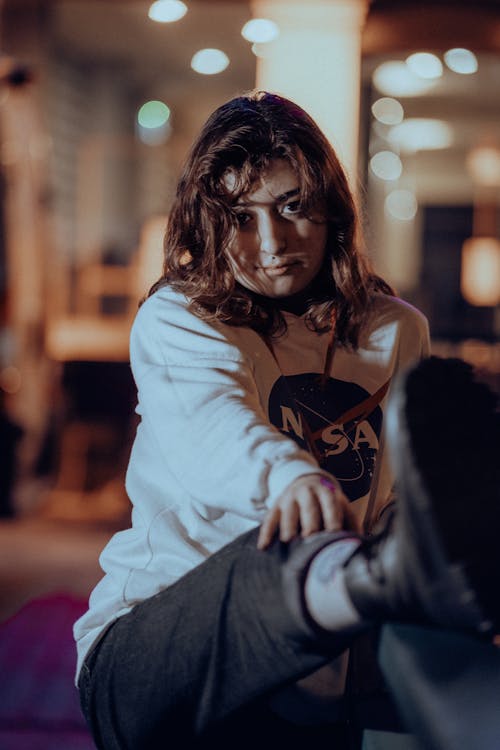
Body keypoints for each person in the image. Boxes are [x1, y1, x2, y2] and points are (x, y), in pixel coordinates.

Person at [74, 91, 498, 749]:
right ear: (207, 223)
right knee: (281, 548)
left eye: (293, 207)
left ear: (332, 207)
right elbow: (215, 426)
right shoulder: (180, 318)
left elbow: (385, 496)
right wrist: (292, 479)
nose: (270, 244)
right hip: (154, 653)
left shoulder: (395, 331)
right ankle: (375, 580)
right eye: (240, 217)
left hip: (313, 675)